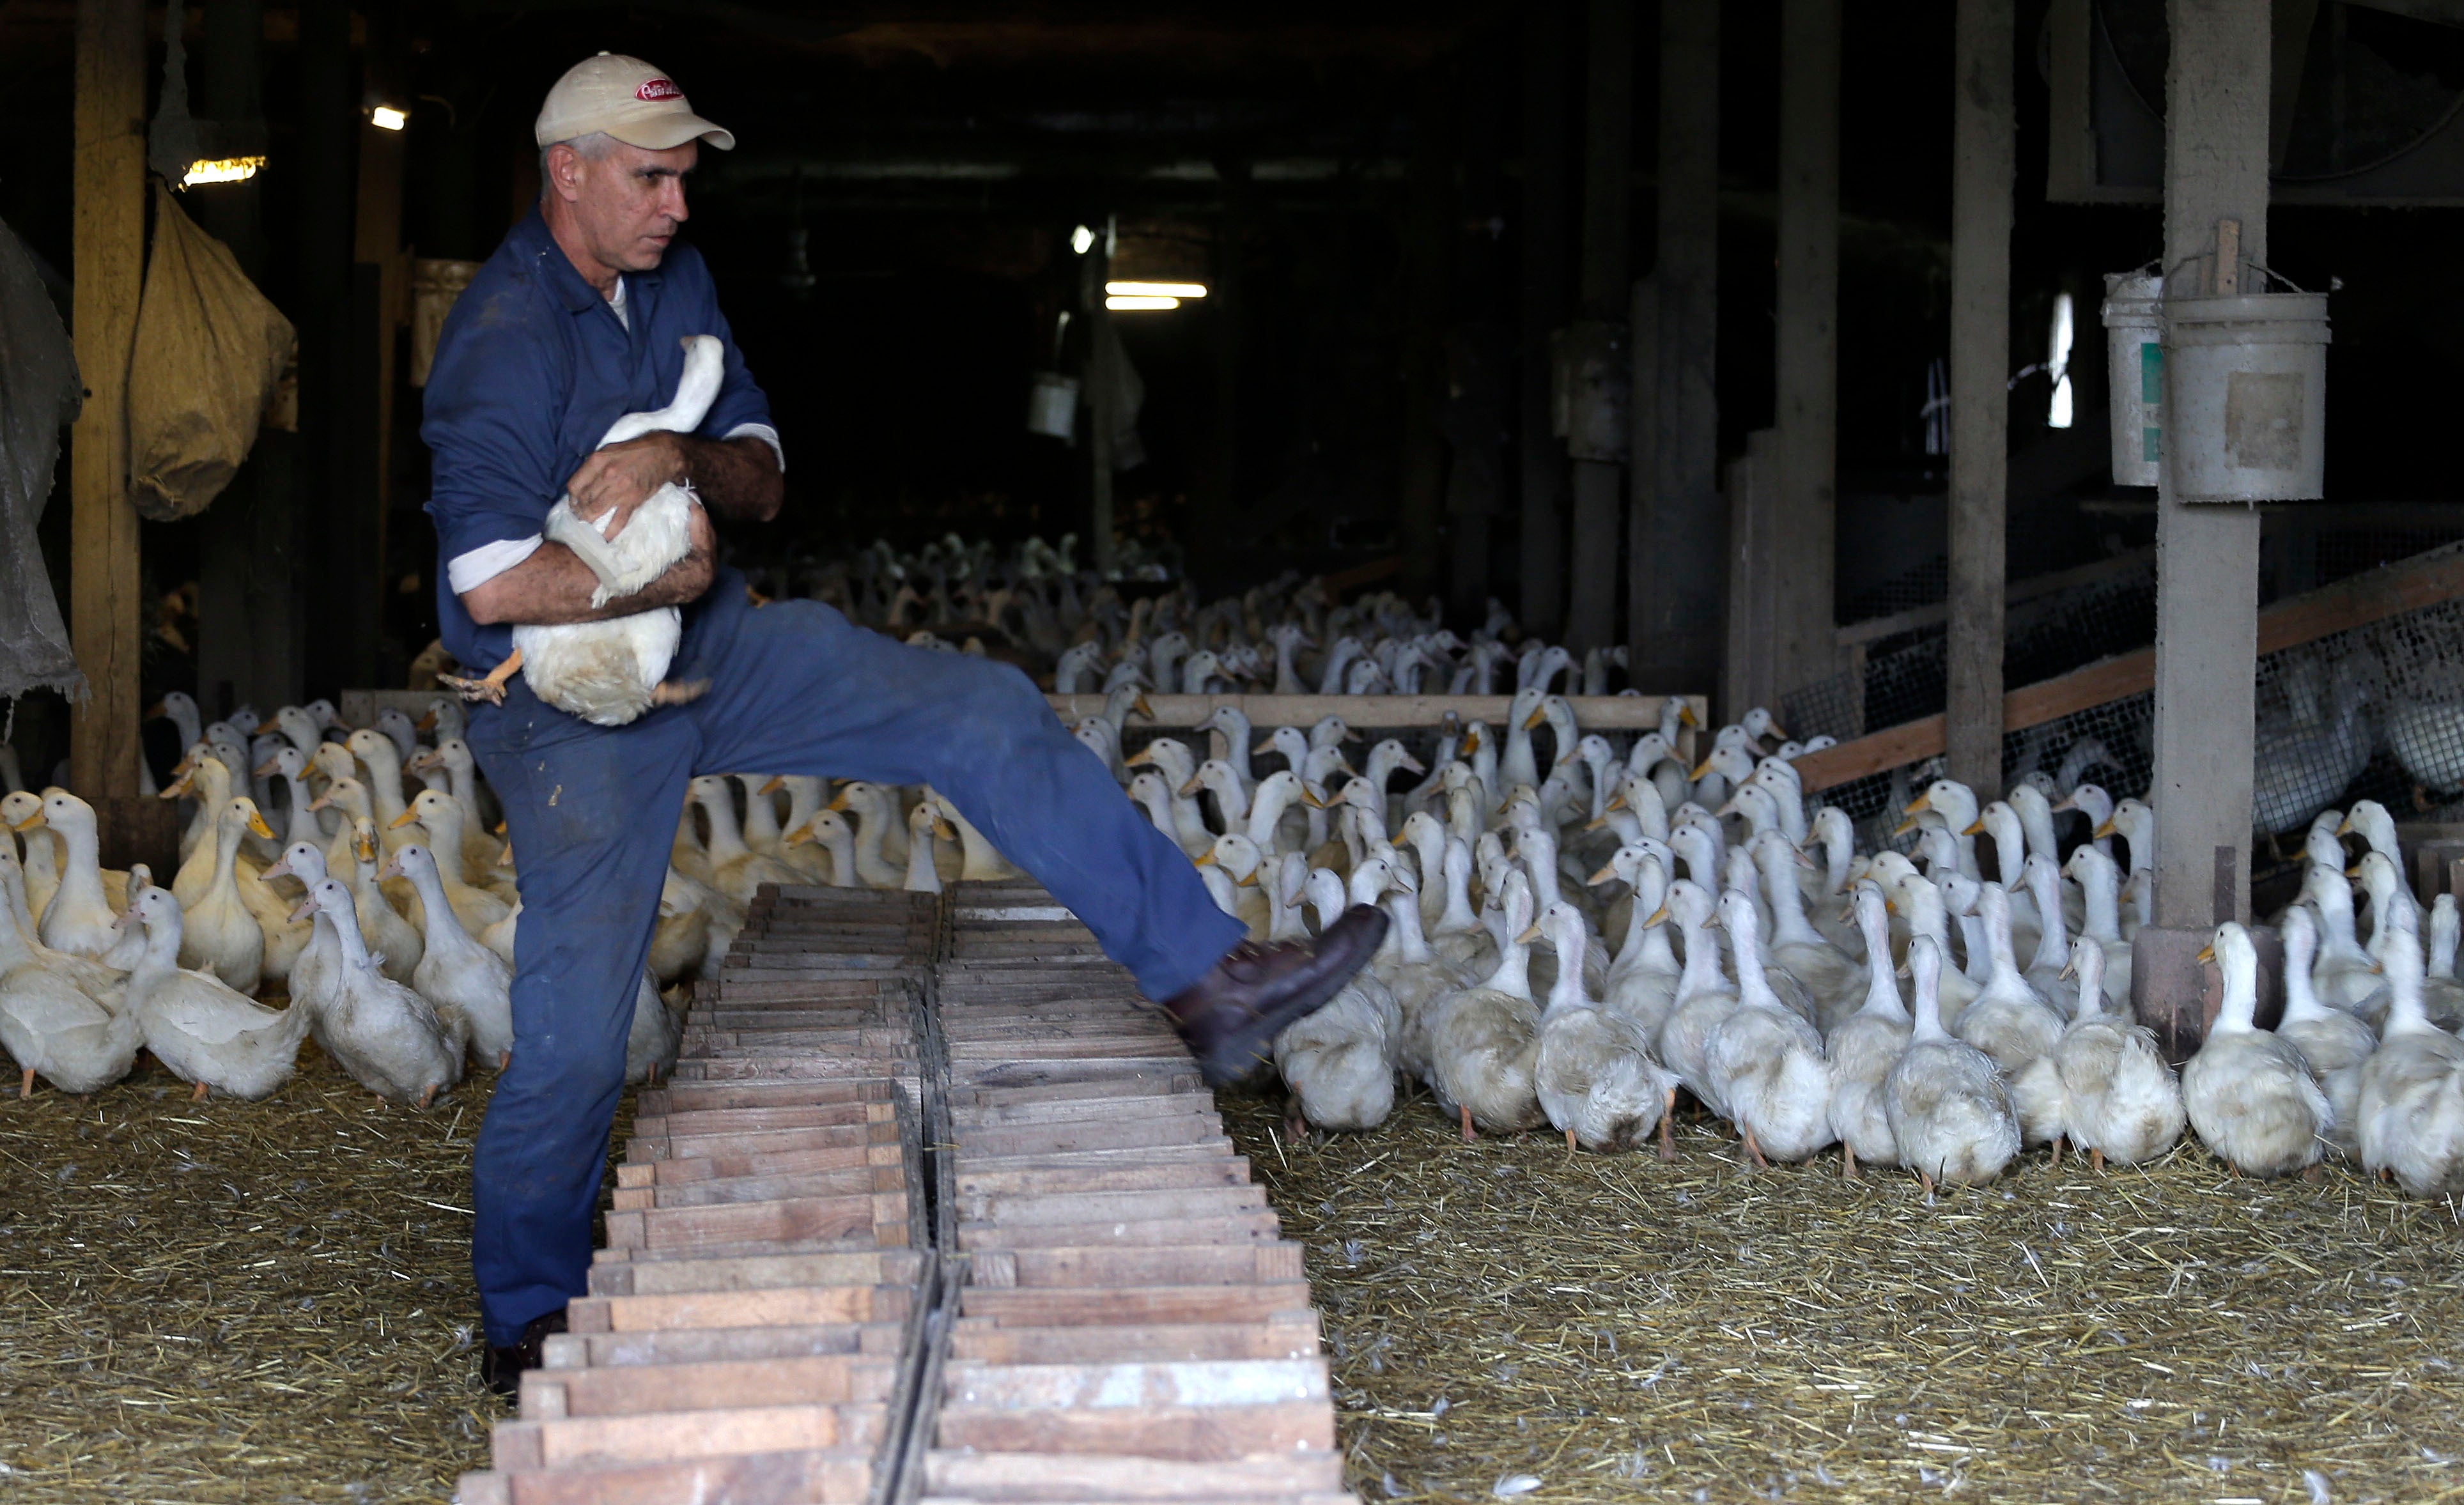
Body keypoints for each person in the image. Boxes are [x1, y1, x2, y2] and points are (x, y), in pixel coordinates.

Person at [419, 54, 1386, 1396]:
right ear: (564, 172)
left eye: (685, 178)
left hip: (717, 642)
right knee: (582, 1032)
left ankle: (1207, 980)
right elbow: (488, 588)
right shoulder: (499, 340)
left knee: (977, 705)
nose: (676, 205)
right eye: (649, 178)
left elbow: (758, 476)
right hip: (572, 700)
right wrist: (661, 572)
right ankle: (526, 1310)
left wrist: (671, 461)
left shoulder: (668, 283)